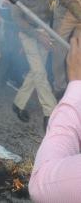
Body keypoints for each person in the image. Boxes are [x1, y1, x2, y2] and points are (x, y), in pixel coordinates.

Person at [11, 0, 81, 131]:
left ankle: (18, 104)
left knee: (37, 72)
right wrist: (37, 34)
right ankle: (51, 113)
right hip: (27, 32)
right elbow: (17, 18)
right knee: (41, 74)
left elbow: (70, 3)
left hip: (46, 31)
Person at [29, 34, 81, 203]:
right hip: (34, 35)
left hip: (44, 39)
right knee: (37, 73)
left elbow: (40, 186)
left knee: (37, 74)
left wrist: (76, 85)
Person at [53, 0, 81, 98]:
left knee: (78, 48)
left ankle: (75, 85)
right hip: (71, 10)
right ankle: (59, 85)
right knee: (60, 46)